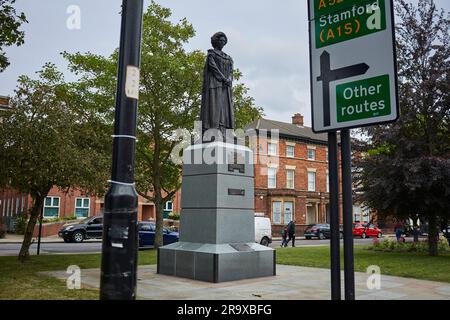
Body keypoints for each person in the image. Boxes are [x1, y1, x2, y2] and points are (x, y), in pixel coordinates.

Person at [200, 32, 235, 140]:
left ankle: (225, 131)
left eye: (224, 41)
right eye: (220, 40)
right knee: (215, 108)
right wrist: (223, 79)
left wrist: (229, 79)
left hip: (225, 87)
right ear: (215, 41)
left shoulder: (228, 58)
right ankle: (213, 130)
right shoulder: (212, 54)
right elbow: (213, 68)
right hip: (214, 85)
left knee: (225, 109)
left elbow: (231, 72)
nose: (222, 42)